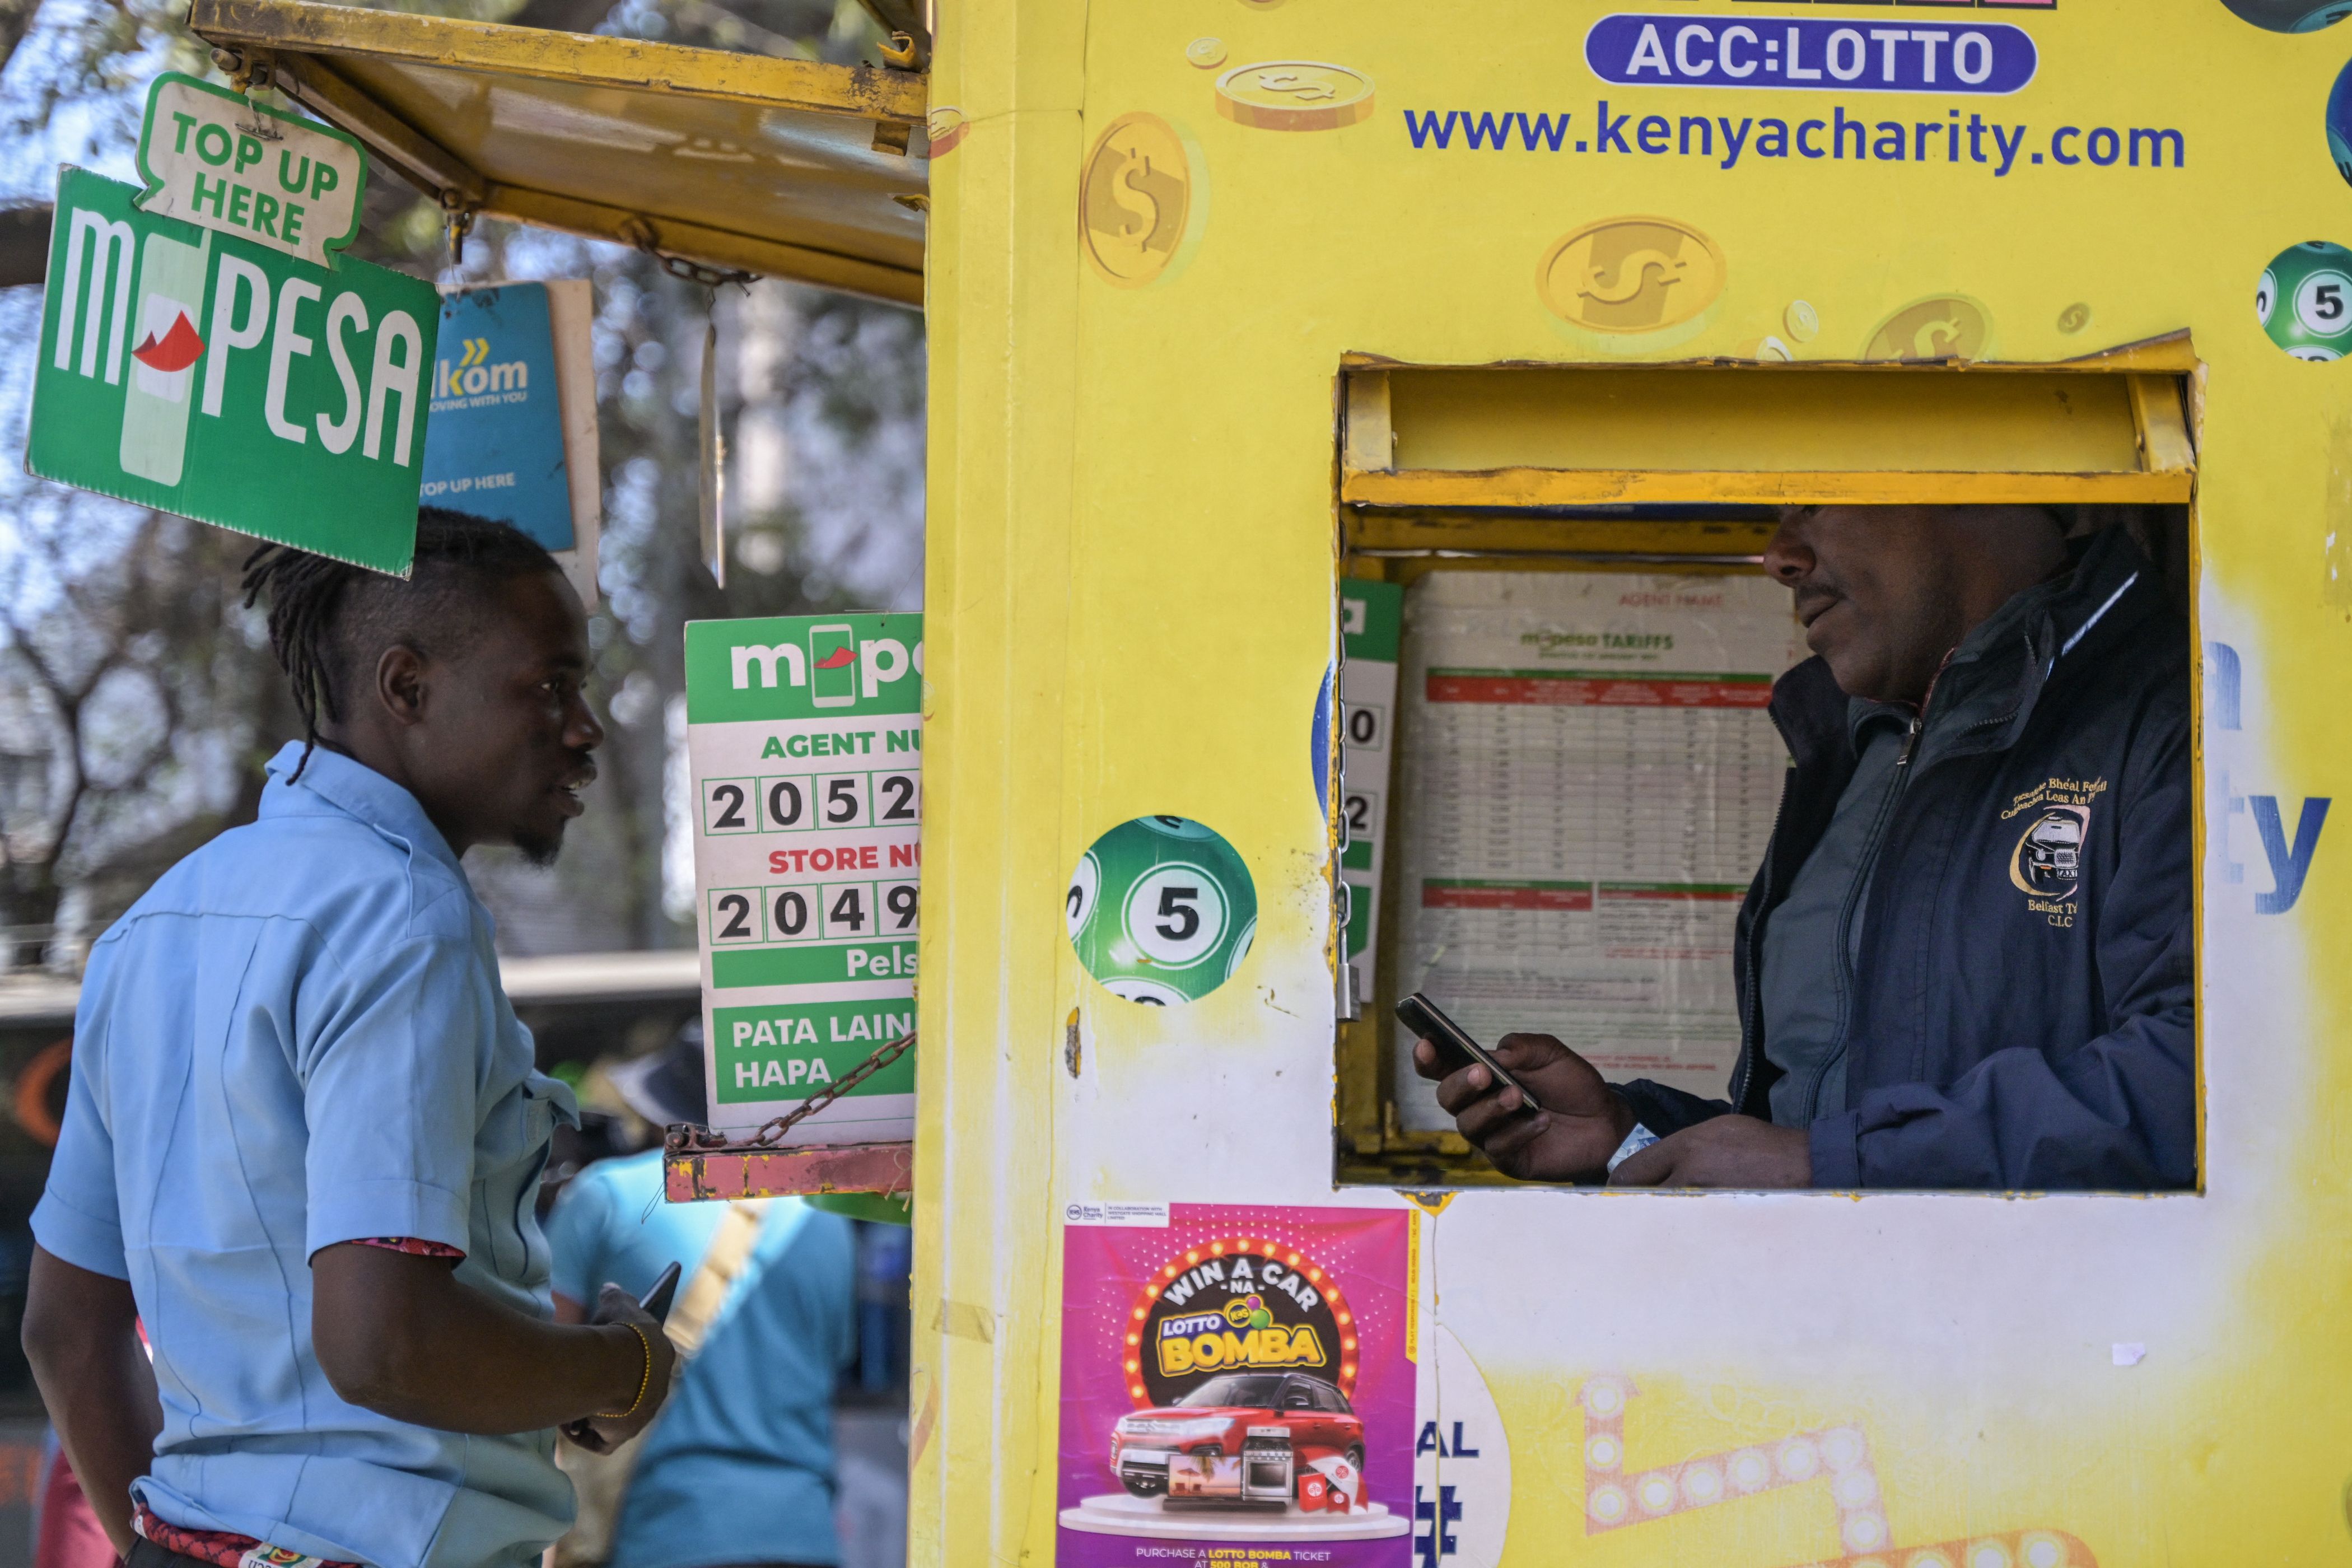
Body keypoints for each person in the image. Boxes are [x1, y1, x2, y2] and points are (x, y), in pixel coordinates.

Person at [20, 513, 678, 1568]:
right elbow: (385, 1344)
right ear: (406, 688)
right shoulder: (404, 912)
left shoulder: (151, 925)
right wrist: (623, 1369)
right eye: (551, 686)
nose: (587, 726)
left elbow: (66, 1329)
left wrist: (191, 1548)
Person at [1414, 505, 2194, 1191]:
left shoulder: (2192, 707)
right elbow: (1806, 1130)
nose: (1778, 557)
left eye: (1812, 500)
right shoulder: (1859, 746)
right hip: (1824, 1327)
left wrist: (1832, 1164)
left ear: (1970, 463)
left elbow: (2209, 1077)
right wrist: (1626, 1138)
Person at [543, 1032, 858, 1568]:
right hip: (803, 1532)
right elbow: (834, 1363)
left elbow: (545, 1372)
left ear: (666, 1117)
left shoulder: (605, 1195)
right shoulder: (825, 1217)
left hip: (661, 1533)